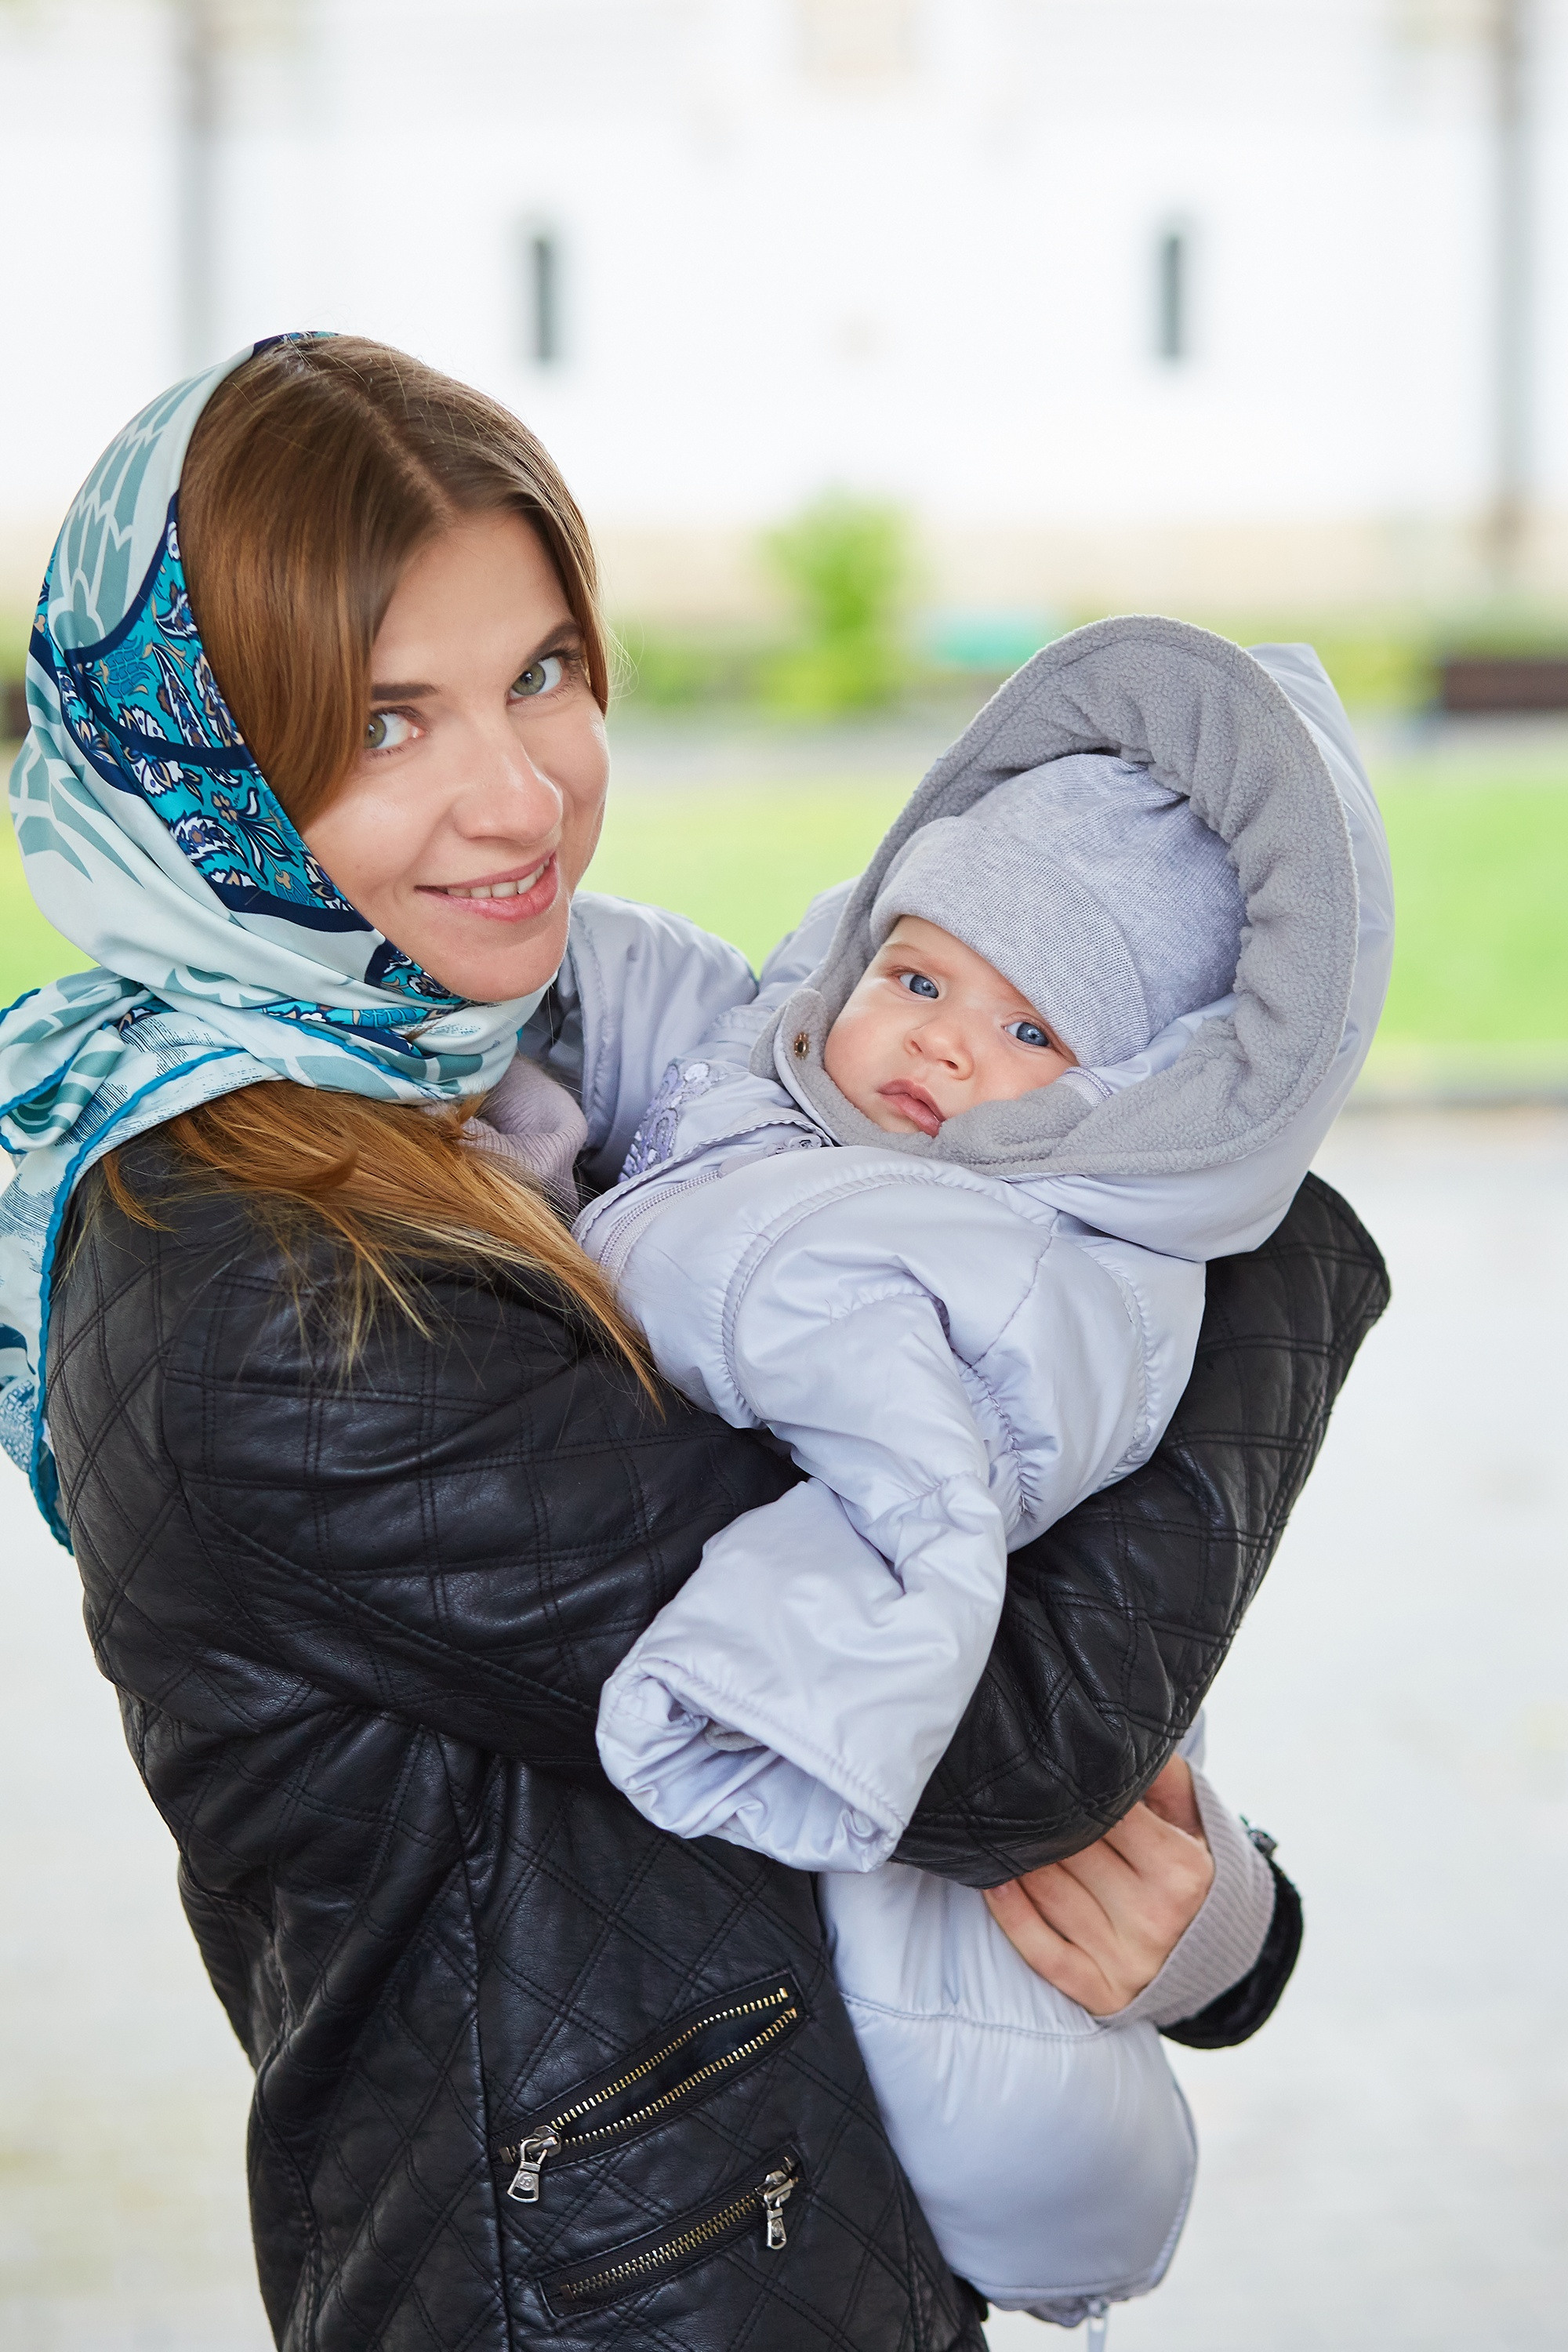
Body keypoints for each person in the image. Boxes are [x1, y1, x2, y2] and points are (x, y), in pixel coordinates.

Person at [0, 335, 1388, 2351]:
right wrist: (1259, 1224)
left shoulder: (511, 1052)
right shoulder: (254, 1292)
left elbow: (955, 1483)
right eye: (386, 719)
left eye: (542, 671)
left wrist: (1211, 1922)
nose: (518, 794)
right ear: (202, 769)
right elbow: (986, 1736)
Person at [576, 625, 1392, 2317]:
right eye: (920, 979)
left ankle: (1073, 2202)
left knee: (986, 2068)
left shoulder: (1030, 1255)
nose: (943, 1046)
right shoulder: (778, 1072)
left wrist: (769, 1662)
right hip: (650, 2139)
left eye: (1032, 1028)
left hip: (907, 1795)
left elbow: (936, 1497)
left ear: (1132, 1099)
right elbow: (632, 988)